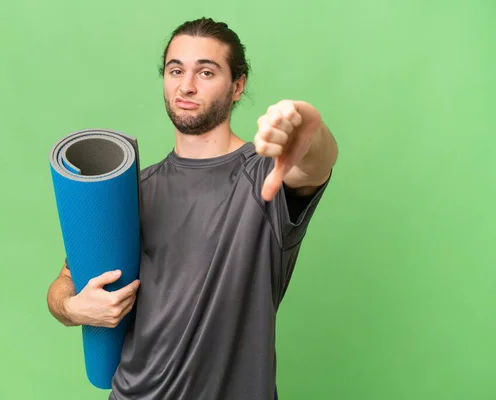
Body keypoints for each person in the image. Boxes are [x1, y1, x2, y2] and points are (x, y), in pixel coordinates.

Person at [47, 17, 338, 400]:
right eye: (176, 70)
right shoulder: (134, 189)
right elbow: (65, 282)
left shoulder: (265, 175)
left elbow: (313, 164)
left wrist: (311, 132)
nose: (186, 85)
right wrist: (73, 307)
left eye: (206, 71)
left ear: (237, 86)